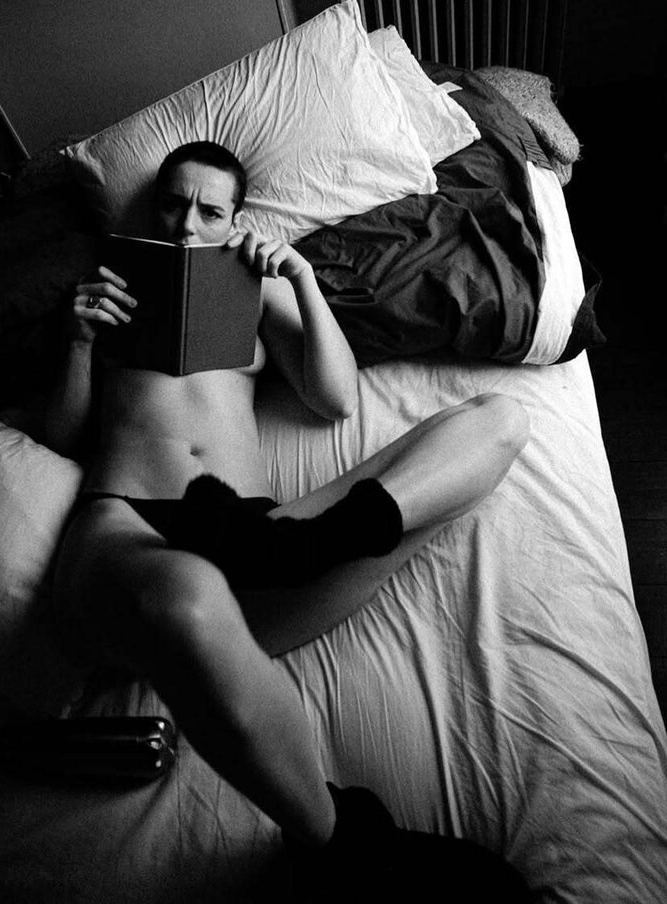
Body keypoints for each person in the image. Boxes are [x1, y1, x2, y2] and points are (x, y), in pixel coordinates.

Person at [45, 140, 531, 897]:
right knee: (185, 597)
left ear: (235, 220)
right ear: (152, 209)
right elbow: (59, 442)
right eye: (173, 204)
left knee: (499, 422)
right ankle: (346, 848)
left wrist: (300, 279)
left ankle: (319, 540)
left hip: (256, 539)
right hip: (129, 527)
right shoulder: (114, 292)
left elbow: (334, 399)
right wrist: (78, 344)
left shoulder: (254, 290)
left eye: (210, 211)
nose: (187, 224)